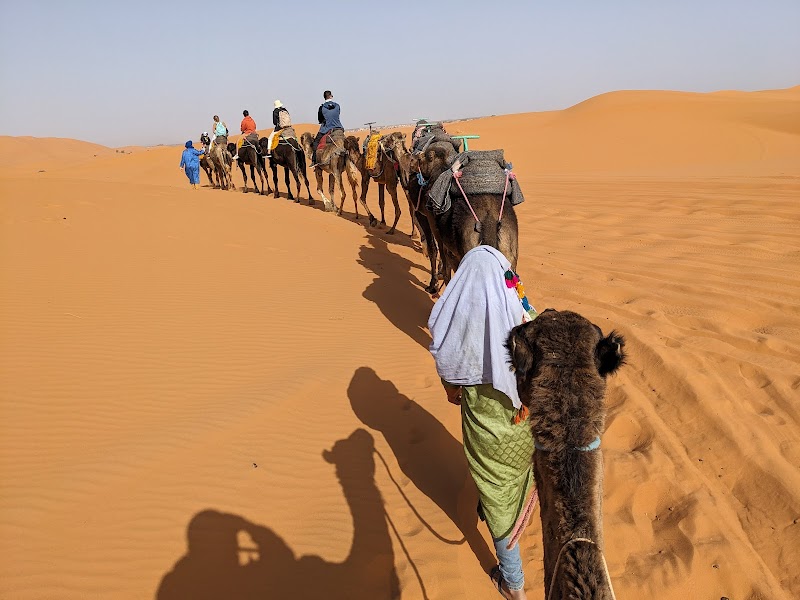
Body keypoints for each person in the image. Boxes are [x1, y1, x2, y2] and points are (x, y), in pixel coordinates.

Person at [428, 245, 538, 600]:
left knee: (497, 499)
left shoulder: (459, 321)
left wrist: (455, 389)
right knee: (516, 480)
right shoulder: (523, 314)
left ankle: (513, 583)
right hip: (524, 428)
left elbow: (448, 370)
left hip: (488, 433)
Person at [312, 90, 343, 161]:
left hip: (326, 129)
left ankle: (314, 161)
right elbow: (337, 114)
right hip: (338, 127)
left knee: (316, 142)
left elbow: (320, 120)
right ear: (331, 96)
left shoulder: (321, 108)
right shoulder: (337, 106)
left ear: (324, 97)